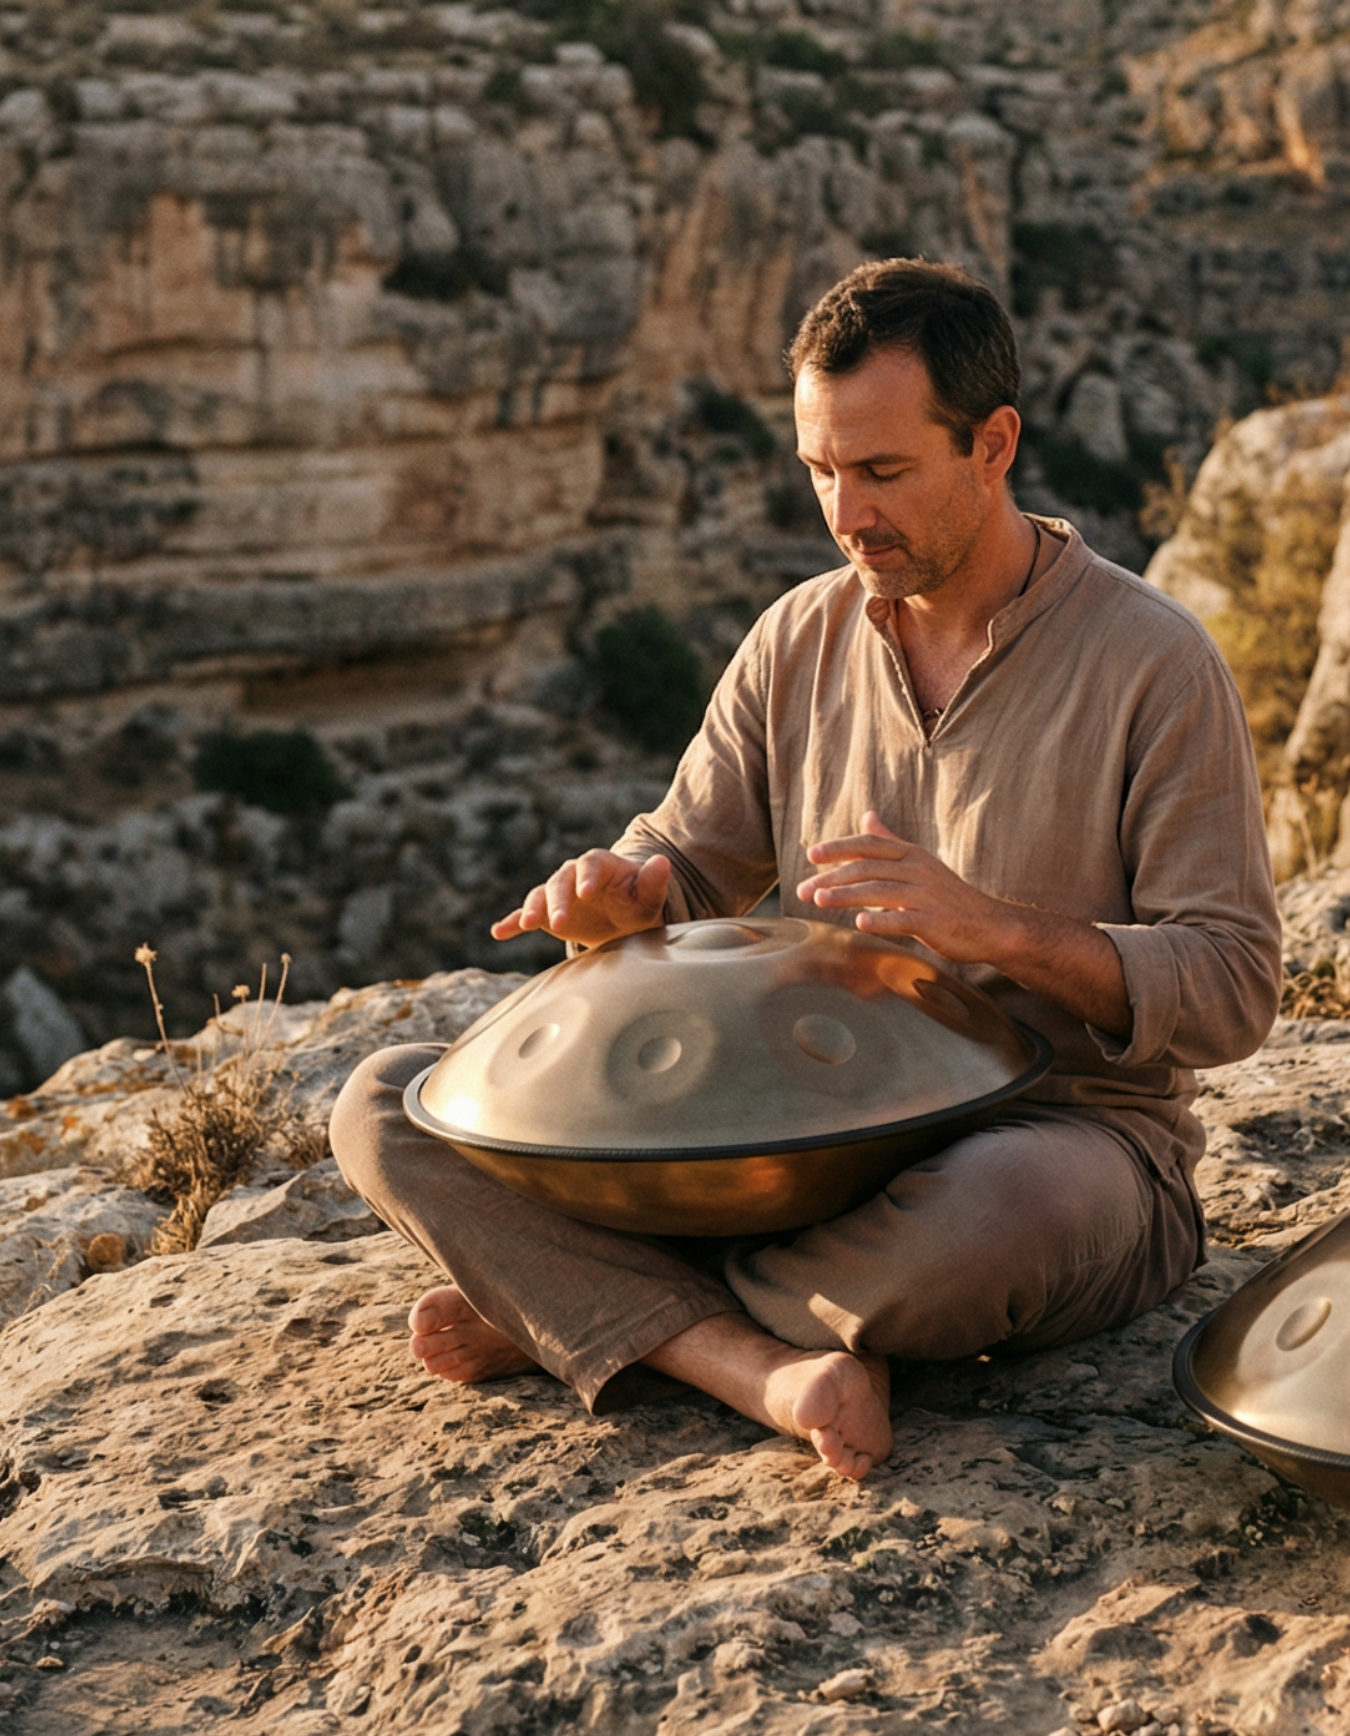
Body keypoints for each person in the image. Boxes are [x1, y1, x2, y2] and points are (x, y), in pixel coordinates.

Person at [331, 258, 1281, 1482]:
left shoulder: (1154, 663)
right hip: (803, 1149)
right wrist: (623, 897)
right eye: (821, 470)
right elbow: (682, 858)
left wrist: (1001, 931)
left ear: (993, 445)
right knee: (390, 1103)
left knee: (1002, 1209)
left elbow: (1233, 984)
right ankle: (759, 1364)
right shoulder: (797, 636)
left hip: (1057, 1144)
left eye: (883, 470)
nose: (846, 512)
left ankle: (590, 1310)